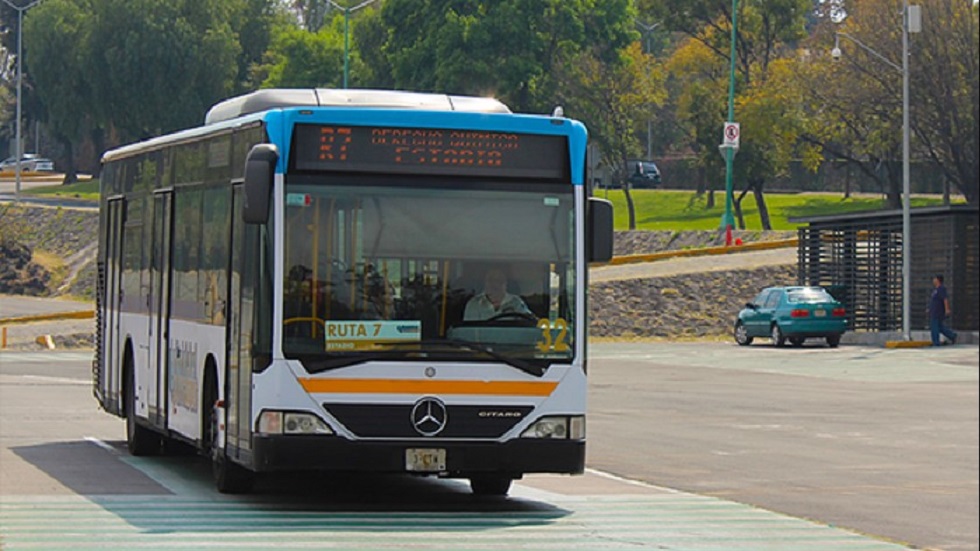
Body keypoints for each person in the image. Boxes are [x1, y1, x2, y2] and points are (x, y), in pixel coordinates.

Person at [463, 268, 532, 321]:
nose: (495, 284)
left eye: (499, 280)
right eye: (491, 280)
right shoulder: (474, 304)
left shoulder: (517, 303)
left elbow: (529, 322)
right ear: (484, 282)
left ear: (506, 284)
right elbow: (469, 333)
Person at [927, 274, 957, 346]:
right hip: (934, 311)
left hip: (938, 311)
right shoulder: (936, 290)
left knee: (934, 327)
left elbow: (945, 299)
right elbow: (934, 301)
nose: (933, 280)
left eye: (935, 279)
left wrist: (947, 309)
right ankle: (952, 335)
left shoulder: (941, 289)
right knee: (940, 327)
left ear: (938, 280)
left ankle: (936, 342)